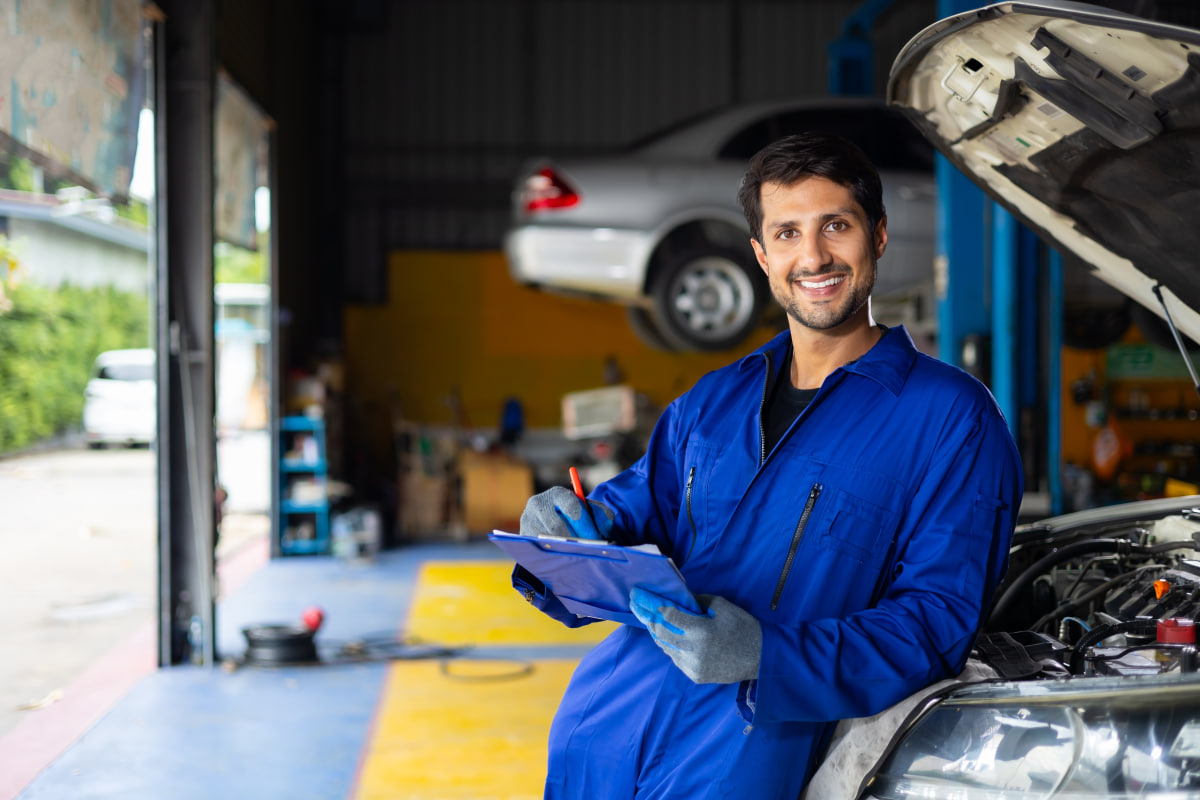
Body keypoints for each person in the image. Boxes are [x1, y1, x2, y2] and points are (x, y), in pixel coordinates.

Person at [512, 132, 1023, 799]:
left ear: (878, 235)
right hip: (605, 722)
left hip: (745, 748)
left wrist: (767, 655)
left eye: (835, 226)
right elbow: (628, 513)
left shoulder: (952, 420)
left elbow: (933, 626)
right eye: (787, 233)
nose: (813, 256)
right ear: (760, 254)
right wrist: (562, 537)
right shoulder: (712, 400)